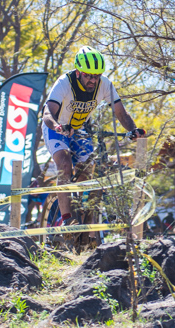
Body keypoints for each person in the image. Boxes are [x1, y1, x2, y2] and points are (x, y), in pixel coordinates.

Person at [41, 46, 146, 227]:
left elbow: (120, 112)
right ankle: (67, 219)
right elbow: (48, 113)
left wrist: (133, 129)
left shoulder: (105, 84)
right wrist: (58, 126)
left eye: (96, 76)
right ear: (78, 72)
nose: (92, 80)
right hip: (56, 127)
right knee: (65, 165)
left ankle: (84, 210)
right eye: (88, 75)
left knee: (88, 170)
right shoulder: (63, 83)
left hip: (80, 128)